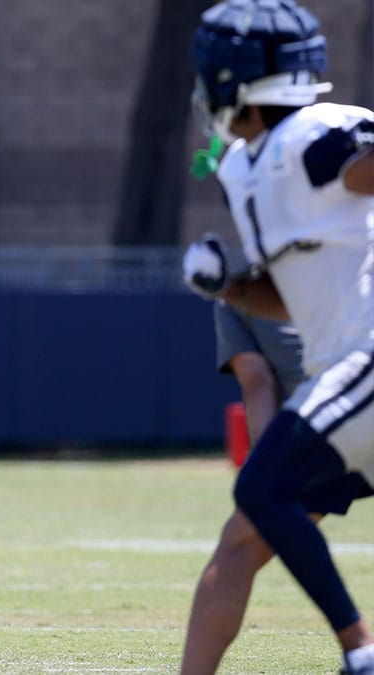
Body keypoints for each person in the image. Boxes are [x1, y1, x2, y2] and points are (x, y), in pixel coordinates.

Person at [182, 1, 374, 672]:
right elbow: (288, 300)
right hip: (344, 379)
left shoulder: (317, 136)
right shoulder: (244, 167)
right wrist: (229, 287)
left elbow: (360, 167)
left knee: (261, 489)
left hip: (367, 364)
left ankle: (360, 649)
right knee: (243, 537)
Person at [182, 302, 368, 672]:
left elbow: (257, 382)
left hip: (328, 423)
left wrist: (268, 476)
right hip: (341, 418)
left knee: (237, 549)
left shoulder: (234, 285)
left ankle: (361, 650)